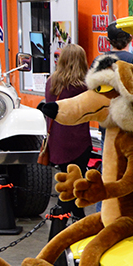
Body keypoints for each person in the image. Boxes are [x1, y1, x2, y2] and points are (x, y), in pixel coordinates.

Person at [43, 44, 92, 225]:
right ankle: (70, 214)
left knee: (66, 175)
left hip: (57, 139)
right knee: (76, 178)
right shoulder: (85, 86)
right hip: (79, 139)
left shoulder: (51, 82)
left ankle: (70, 215)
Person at [106, 22, 133, 131]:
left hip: (108, 124)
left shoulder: (99, 61)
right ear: (130, 39)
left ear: (108, 41)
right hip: (131, 123)